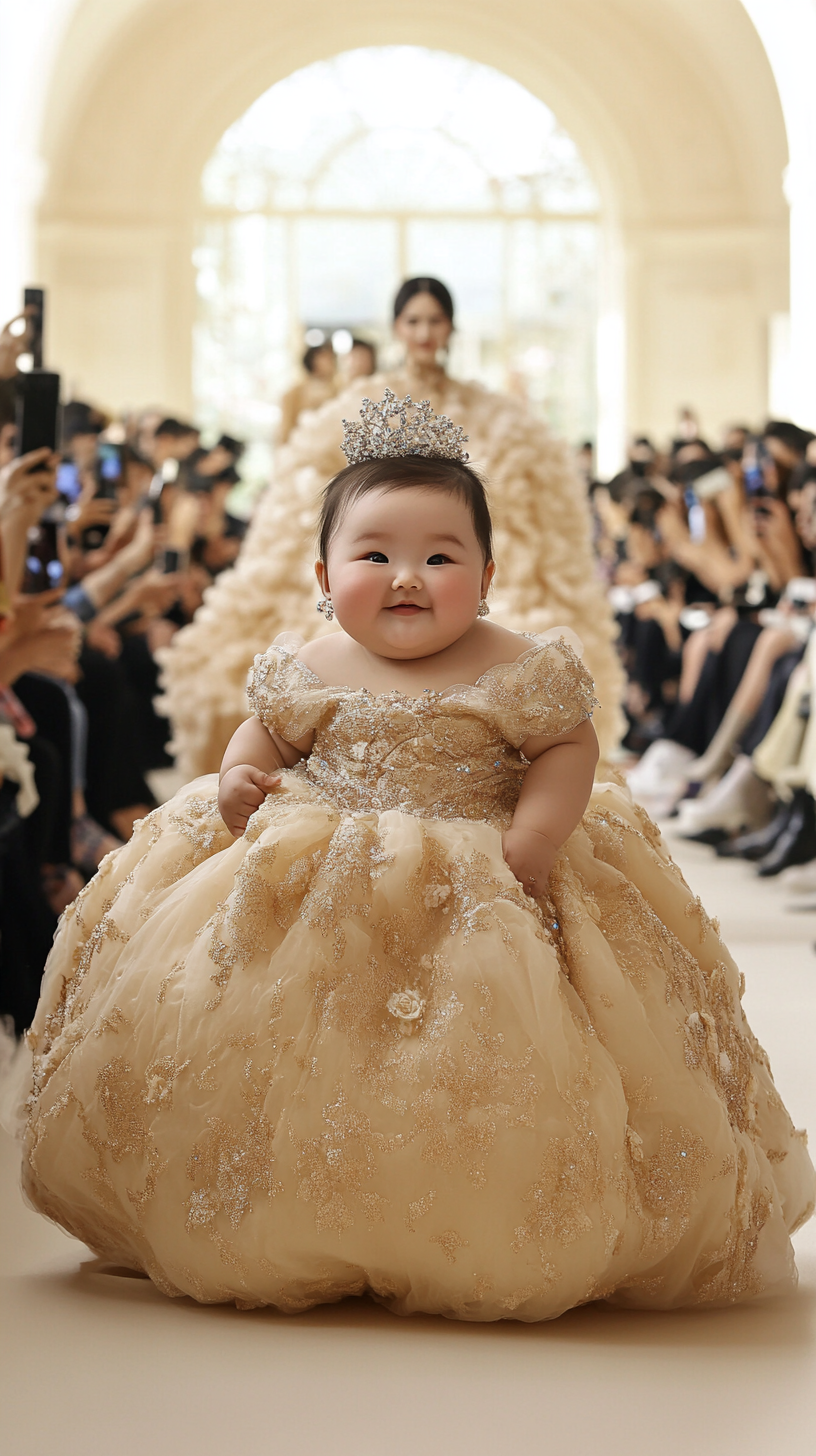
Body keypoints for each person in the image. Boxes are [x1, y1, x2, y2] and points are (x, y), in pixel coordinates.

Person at [22, 394, 814, 1319]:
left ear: (486, 573)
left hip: (487, 879)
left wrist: (539, 832)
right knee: (289, 1038)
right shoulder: (311, 666)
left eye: (441, 557)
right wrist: (241, 780)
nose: (408, 578)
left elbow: (567, 747)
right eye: (375, 556)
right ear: (324, 573)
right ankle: (293, 1197)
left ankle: (458, 1206)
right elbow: (264, 738)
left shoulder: (515, 666)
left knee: (470, 1047)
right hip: (320, 876)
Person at [159, 277, 624, 780]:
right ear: (398, 328)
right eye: (413, 321)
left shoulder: (493, 414)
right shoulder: (353, 406)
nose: (424, 332)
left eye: (435, 321)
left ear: (450, 328)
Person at [277, 340, 337, 445]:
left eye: (332, 358)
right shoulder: (294, 394)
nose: (331, 362)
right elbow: (285, 430)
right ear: (312, 361)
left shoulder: (339, 391)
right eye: (325, 358)